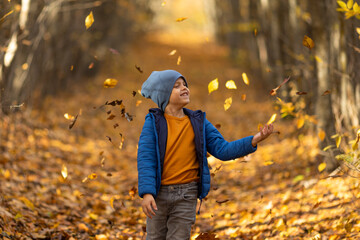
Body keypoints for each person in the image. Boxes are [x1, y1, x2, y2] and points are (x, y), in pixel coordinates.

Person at [137, 70, 273, 239]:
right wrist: (147, 193)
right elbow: (146, 159)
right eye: (176, 86)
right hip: (158, 194)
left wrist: (254, 140)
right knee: (155, 237)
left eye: (185, 84)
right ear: (163, 94)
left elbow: (223, 150)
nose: (184, 88)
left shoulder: (198, 121)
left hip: (187, 195)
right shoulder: (153, 123)